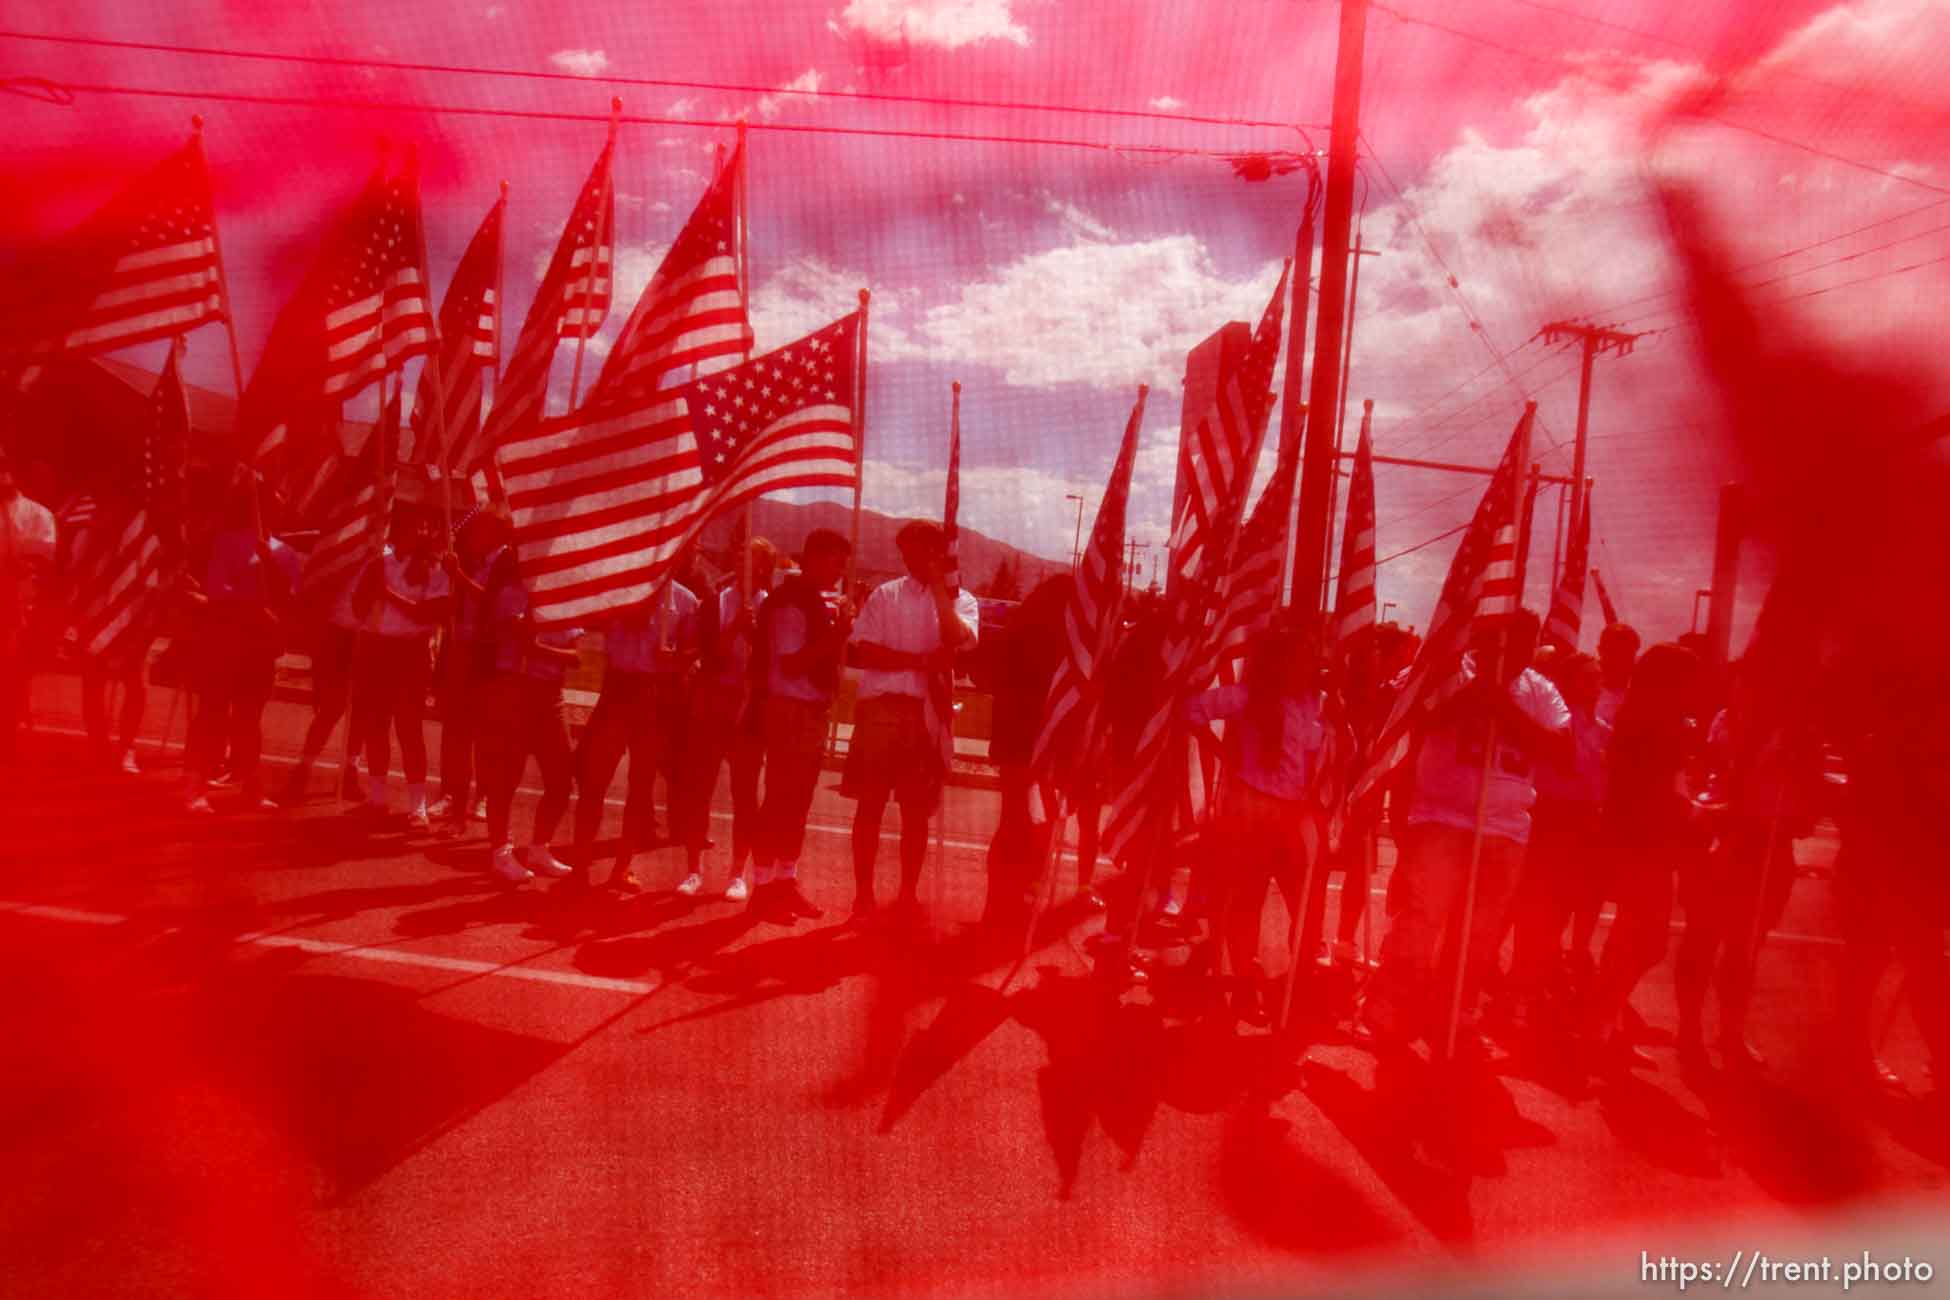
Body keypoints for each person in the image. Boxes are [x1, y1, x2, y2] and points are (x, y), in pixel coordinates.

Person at [1359, 608, 1571, 1055]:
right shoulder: (1449, 670)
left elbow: (1562, 750)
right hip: (1444, 817)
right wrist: (1468, 699)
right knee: (1422, 920)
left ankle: (1454, 1008)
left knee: (1481, 931)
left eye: (1525, 642)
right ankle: (1386, 1007)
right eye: (1506, 641)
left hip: (1506, 827)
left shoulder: (1539, 689)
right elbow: (1394, 713)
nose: (1515, 651)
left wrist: (1505, 709)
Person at [1183, 612, 1332, 1026]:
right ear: (1280, 660)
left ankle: (1294, 985)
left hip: (1294, 816)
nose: (1309, 664)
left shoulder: (1312, 704)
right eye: (1300, 656)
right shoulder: (1248, 696)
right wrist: (1221, 751)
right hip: (1252, 813)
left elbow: (1315, 756)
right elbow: (1191, 709)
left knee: (1305, 904)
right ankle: (1245, 980)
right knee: (1246, 902)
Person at [843, 520, 980, 922]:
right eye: (907, 552)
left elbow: (957, 640)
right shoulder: (885, 595)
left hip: (925, 715)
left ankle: (906, 895)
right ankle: (863, 896)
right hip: (881, 711)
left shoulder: (962, 599)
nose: (913, 559)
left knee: (916, 813)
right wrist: (919, 661)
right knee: (869, 808)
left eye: (922, 551)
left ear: (939, 554)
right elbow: (865, 652)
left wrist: (941, 591)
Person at [1583, 642, 1707, 1072]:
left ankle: (1606, 1025)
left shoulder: (1651, 722)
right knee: (1644, 940)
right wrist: (1697, 813)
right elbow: (1652, 794)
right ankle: (1600, 1025)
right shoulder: (1652, 727)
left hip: (1643, 844)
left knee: (1632, 939)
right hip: (1642, 845)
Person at [745, 528, 854, 922]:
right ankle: (762, 888)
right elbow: (791, 663)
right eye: (835, 560)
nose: (841, 569)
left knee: (798, 802)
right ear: (814, 558)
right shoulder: (790, 601)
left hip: (809, 710)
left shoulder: (811, 600)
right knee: (780, 799)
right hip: (789, 708)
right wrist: (837, 634)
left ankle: (784, 882)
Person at [569, 574, 700, 892]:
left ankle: (622, 867)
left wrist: (674, 661)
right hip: (618, 686)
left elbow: (692, 653)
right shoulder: (622, 589)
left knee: (640, 788)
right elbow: (594, 620)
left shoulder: (684, 601)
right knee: (594, 781)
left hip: (653, 693)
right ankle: (580, 865)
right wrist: (630, 612)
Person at [181, 476, 300, 813]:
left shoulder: (285, 553)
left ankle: (251, 786)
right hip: (226, 642)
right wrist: (252, 608)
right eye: (271, 502)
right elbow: (218, 590)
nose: (278, 507)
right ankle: (194, 786)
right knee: (212, 715)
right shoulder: (227, 543)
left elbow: (291, 599)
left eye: (280, 503)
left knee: (249, 720)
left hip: (260, 648)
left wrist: (272, 569)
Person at [1504, 651, 1610, 1024]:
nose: (1595, 686)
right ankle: (1518, 987)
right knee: (1534, 907)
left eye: (1598, 679)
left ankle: (1537, 979)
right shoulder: (1557, 724)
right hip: (1551, 819)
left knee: (1562, 908)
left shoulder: (1601, 729)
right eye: (1586, 679)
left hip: (1583, 826)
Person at [673, 538, 778, 900]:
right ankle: (693, 869)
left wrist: (753, 633)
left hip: (748, 712)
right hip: (712, 705)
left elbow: (772, 665)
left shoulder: (772, 608)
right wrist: (734, 627)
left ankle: (738, 872)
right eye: (738, 556)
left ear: (764, 567)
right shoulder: (714, 603)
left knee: (744, 794)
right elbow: (709, 656)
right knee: (699, 789)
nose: (741, 562)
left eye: (749, 558)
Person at [474, 548, 581, 885]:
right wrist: (516, 631)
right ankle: (500, 852)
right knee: (506, 777)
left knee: (561, 778)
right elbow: (495, 635)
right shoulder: (509, 594)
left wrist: (538, 649)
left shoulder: (564, 599)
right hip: (515, 689)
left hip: (551, 695)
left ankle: (539, 846)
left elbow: (577, 658)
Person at [982, 573, 1075, 931]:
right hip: (1037, 744)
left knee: (1015, 823)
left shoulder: (1016, 634)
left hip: (1014, 744)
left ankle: (999, 902)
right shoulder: (1055, 644)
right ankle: (1019, 899)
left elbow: (988, 677)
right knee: (1037, 827)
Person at [350, 505, 451, 827]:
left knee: (409, 729)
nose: (420, 532)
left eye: (425, 527)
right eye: (414, 526)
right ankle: (377, 798)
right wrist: (370, 589)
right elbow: (358, 605)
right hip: (377, 648)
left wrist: (388, 595)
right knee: (375, 726)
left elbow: (428, 614)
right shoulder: (378, 562)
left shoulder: (436, 568)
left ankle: (417, 806)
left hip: (410, 652)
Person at [430, 506, 511, 831]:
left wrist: (459, 577)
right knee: (455, 727)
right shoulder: (469, 559)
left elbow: (494, 602)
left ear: (496, 533)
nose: (473, 535)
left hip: (488, 655)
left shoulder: (508, 564)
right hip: (459, 649)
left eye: (480, 529)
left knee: (485, 732)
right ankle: (450, 792)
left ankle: (483, 796)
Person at [281, 538, 372, 806]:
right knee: (331, 707)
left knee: (361, 712)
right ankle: (303, 768)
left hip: (368, 635)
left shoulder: (387, 556)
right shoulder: (346, 548)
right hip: (337, 633)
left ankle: (350, 771)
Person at [0, 449, 56, 763]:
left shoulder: (37, 515)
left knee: (10, 676)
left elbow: (44, 560)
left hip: (18, 606)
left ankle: (6, 741)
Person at [1595, 622, 1641, 727]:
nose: (1622, 661)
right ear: (1600, 651)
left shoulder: (1644, 694)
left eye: (1628, 654)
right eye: (1616, 653)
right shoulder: (1581, 693)